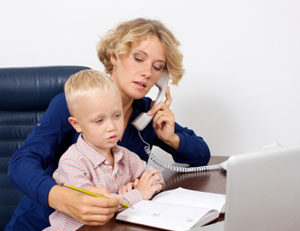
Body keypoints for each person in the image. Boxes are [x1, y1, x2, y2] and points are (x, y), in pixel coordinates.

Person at [6, 18, 210, 231]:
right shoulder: (71, 105)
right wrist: (65, 198)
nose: (148, 73)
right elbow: (21, 163)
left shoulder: (146, 114)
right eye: (139, 59)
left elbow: (201, 154)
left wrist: (171, 138)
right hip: (43, 224)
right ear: (114, 56)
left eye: (158, 67)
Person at [43, 69, 164, 231]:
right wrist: (139, 194)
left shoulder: (125, 156)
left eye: (117, 116)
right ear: (76, 124)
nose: (112, 127)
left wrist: (136, 185)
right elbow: (97, 206)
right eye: (99, 120)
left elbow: (155, 178)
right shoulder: (72, 162)